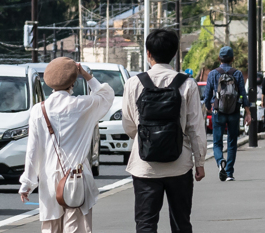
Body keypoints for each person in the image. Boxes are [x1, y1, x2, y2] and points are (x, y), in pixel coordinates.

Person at [122, 30, 207, 233]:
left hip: (145, 166)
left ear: (148, 53)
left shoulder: (134, 83)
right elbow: (195, 127)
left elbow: (129, 125)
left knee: (145, 224)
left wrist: (147, 139)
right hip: (180, 164)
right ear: (174, 54)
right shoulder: (187, 83)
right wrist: (200, 162)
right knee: (181, 223)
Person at [19, 58, 114, 233]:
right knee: (76, 226)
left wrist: (27, 183)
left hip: (49, 177)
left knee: (51, 227)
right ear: (73, 82)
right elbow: (106, 95)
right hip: (76, 175)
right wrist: (86, 75)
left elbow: (33, 150)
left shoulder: (38, 110)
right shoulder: (82, 105)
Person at [203, 46, 250, 180]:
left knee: (217, 142)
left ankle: (220, 162)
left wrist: (208, 107)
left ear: (219, 58)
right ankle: (229, 172)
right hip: (234, 111)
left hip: (218, 110)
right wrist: (248, 112)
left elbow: (207, 95)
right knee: (232, 142)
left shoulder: (213, 73)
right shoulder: (237, 73)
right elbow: (243, 94)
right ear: (233, 59)